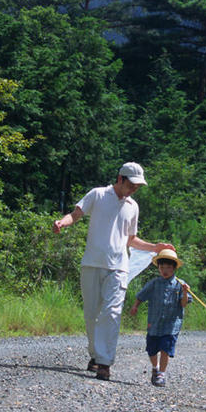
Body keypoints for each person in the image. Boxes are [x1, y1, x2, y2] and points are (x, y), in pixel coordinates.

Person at [52, 162, 174, 381]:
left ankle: (104, 363)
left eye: (138, 186)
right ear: (120, 179)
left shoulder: (133, 206)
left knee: (112, 313)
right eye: (132, 184)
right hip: (92, 264)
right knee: (91, 314)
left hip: (118, 267)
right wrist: (62, 223)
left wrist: (155, 247)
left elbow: (131, 239)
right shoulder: (98, 194)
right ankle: (95, 354)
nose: (134, 189)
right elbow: (76, 214)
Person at [129, 248, 191, 387]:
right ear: (158, 268)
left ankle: (162, 374)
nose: (165, 270)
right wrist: (135, 306)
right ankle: (155, 368)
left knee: (165, 349)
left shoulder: (180, 284)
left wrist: (185, 292)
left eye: (168, 267)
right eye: (162, 267)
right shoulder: (154, 283)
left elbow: (183, 304)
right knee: (151, 349)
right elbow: (142, 295)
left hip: (171, 324)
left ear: (174, 268)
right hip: (154, 322)